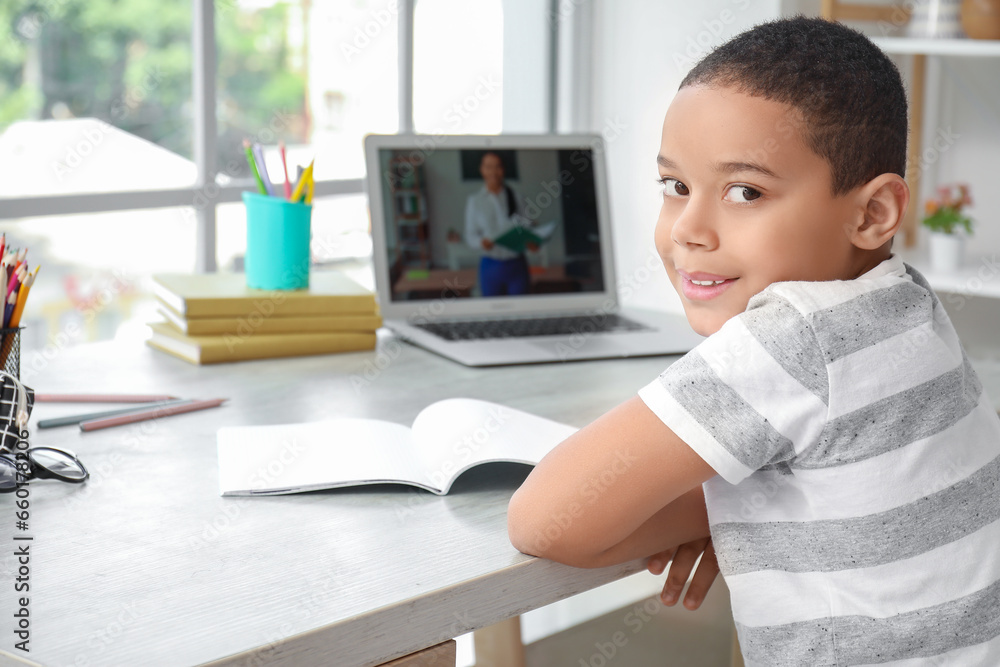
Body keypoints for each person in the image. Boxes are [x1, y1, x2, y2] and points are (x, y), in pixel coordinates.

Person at [507, 16, 1000, 665]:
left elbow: (543, 521)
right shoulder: (906, 303)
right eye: (675, 186)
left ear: (873, 212)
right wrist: (736, 506)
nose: (689, 227)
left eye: (745, 191)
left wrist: (717, 508)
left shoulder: (794, 336)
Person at [464, 151, 536, 296]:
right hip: (491, 265)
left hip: (517, 264)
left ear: (503, 170)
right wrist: (481, 242)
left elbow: (528, 226)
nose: (493, 172)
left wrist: (531, 240)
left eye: (498, 167)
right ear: (482, 170)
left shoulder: (517, 197)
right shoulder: (475, 201)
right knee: (493, 311)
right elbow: (470, 235)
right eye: (488, 167)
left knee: (521, 310)